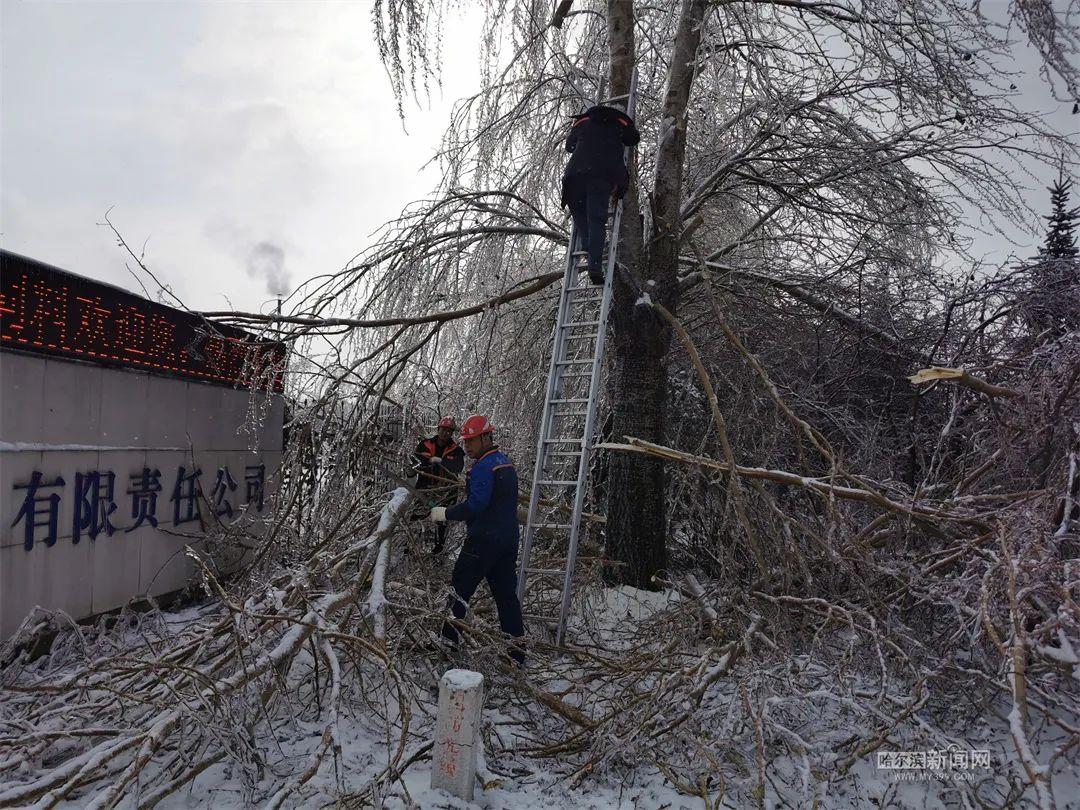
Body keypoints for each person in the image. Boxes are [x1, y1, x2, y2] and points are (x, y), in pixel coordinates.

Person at [429, 414, 526, 667]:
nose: (467, 446)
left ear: (485, 437)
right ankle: (515, 654)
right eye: (465, 441)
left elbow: (477, 505)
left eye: (471, 441)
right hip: (507, 541)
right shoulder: (504, 464)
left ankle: (447, 645)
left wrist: (446, 513)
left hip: (483, 541)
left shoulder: (483, 466)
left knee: (459, 592)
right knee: (506, 597)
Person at [561, 102, 640, 285]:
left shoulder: (584, 122)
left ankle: (590, 251)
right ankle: (595, 267)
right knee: (596, 220)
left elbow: (569, 146)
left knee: (582, 220)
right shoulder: (620, 123)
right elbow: (632, 139)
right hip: (601, 176)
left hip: (574, 178)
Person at [411, 416, 465, 553]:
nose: (446, 433)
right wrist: (425, 464)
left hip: (445, 493)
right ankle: (410, 547)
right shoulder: (425, 444)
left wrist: (440, 461)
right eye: (444, 429)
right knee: (416, 518)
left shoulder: (456, 450)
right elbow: (414, 462)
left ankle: (438, 552)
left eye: (449, 431)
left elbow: (457, 467)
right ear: (438, 429)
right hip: (424, 489)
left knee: (441, 522)